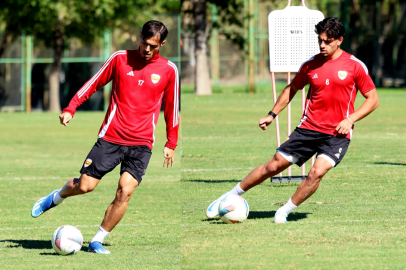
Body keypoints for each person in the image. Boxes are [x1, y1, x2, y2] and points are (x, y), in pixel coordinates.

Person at [206, 17, 379, 223]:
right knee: (273, 167)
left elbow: (373, 99)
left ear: (339, 40)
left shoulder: (355, 66)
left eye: (328, 41)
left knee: (317, 172)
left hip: (336, 134)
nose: (322, 45)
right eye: (320, 40)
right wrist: (272, 115)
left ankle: (283, 211)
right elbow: (292, 89)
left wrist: (350, 119)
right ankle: (229, 196)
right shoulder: (310, 65)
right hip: (308, 128)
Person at [31, 20, 179, 254]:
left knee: (125, 191)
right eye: (144, 42)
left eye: (154, 45)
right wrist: (71, 108)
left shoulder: (169, 70)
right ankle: (57, 197)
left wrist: (171, 142)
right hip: (111, 137)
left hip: (141, 143)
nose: (147, 49)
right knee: (85, 186)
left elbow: (172, 108)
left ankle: (98, 239)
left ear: (162, 43)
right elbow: (93, 83)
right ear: (139, 36)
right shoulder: (120, 58)